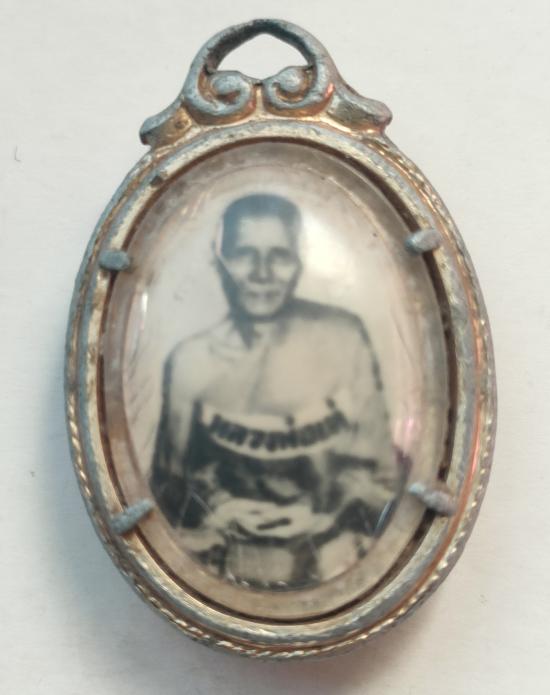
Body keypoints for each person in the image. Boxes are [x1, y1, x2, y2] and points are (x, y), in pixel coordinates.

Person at [150, 193, 403, 589]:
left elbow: (382, 482)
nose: (262, 273)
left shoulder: (343, 340)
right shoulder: (190, 364)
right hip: (226, 576)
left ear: (299, 262)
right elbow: (170, 495)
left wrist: (322, 513)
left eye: (279, 256)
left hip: (333, 568)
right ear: (220, 261)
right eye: (244, 255)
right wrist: (222, 510)